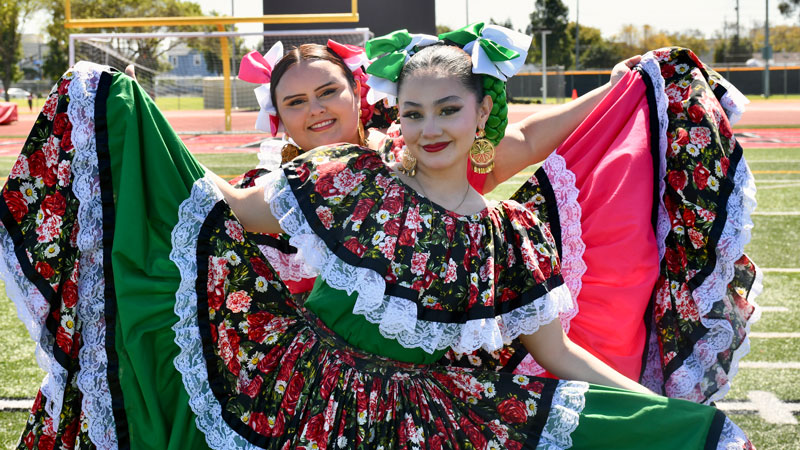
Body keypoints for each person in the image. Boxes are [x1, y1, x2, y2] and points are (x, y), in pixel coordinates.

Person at [0, 27, 756, 449]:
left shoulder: (503, 228)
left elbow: (557, 353)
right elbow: (221, 206)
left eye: (329, 90)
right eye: (296, 100)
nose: (316, 107)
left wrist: (671, 414)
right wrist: (119, 117)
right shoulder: (338, 179)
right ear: (280, 115)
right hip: (297, 386)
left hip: (435, 408)